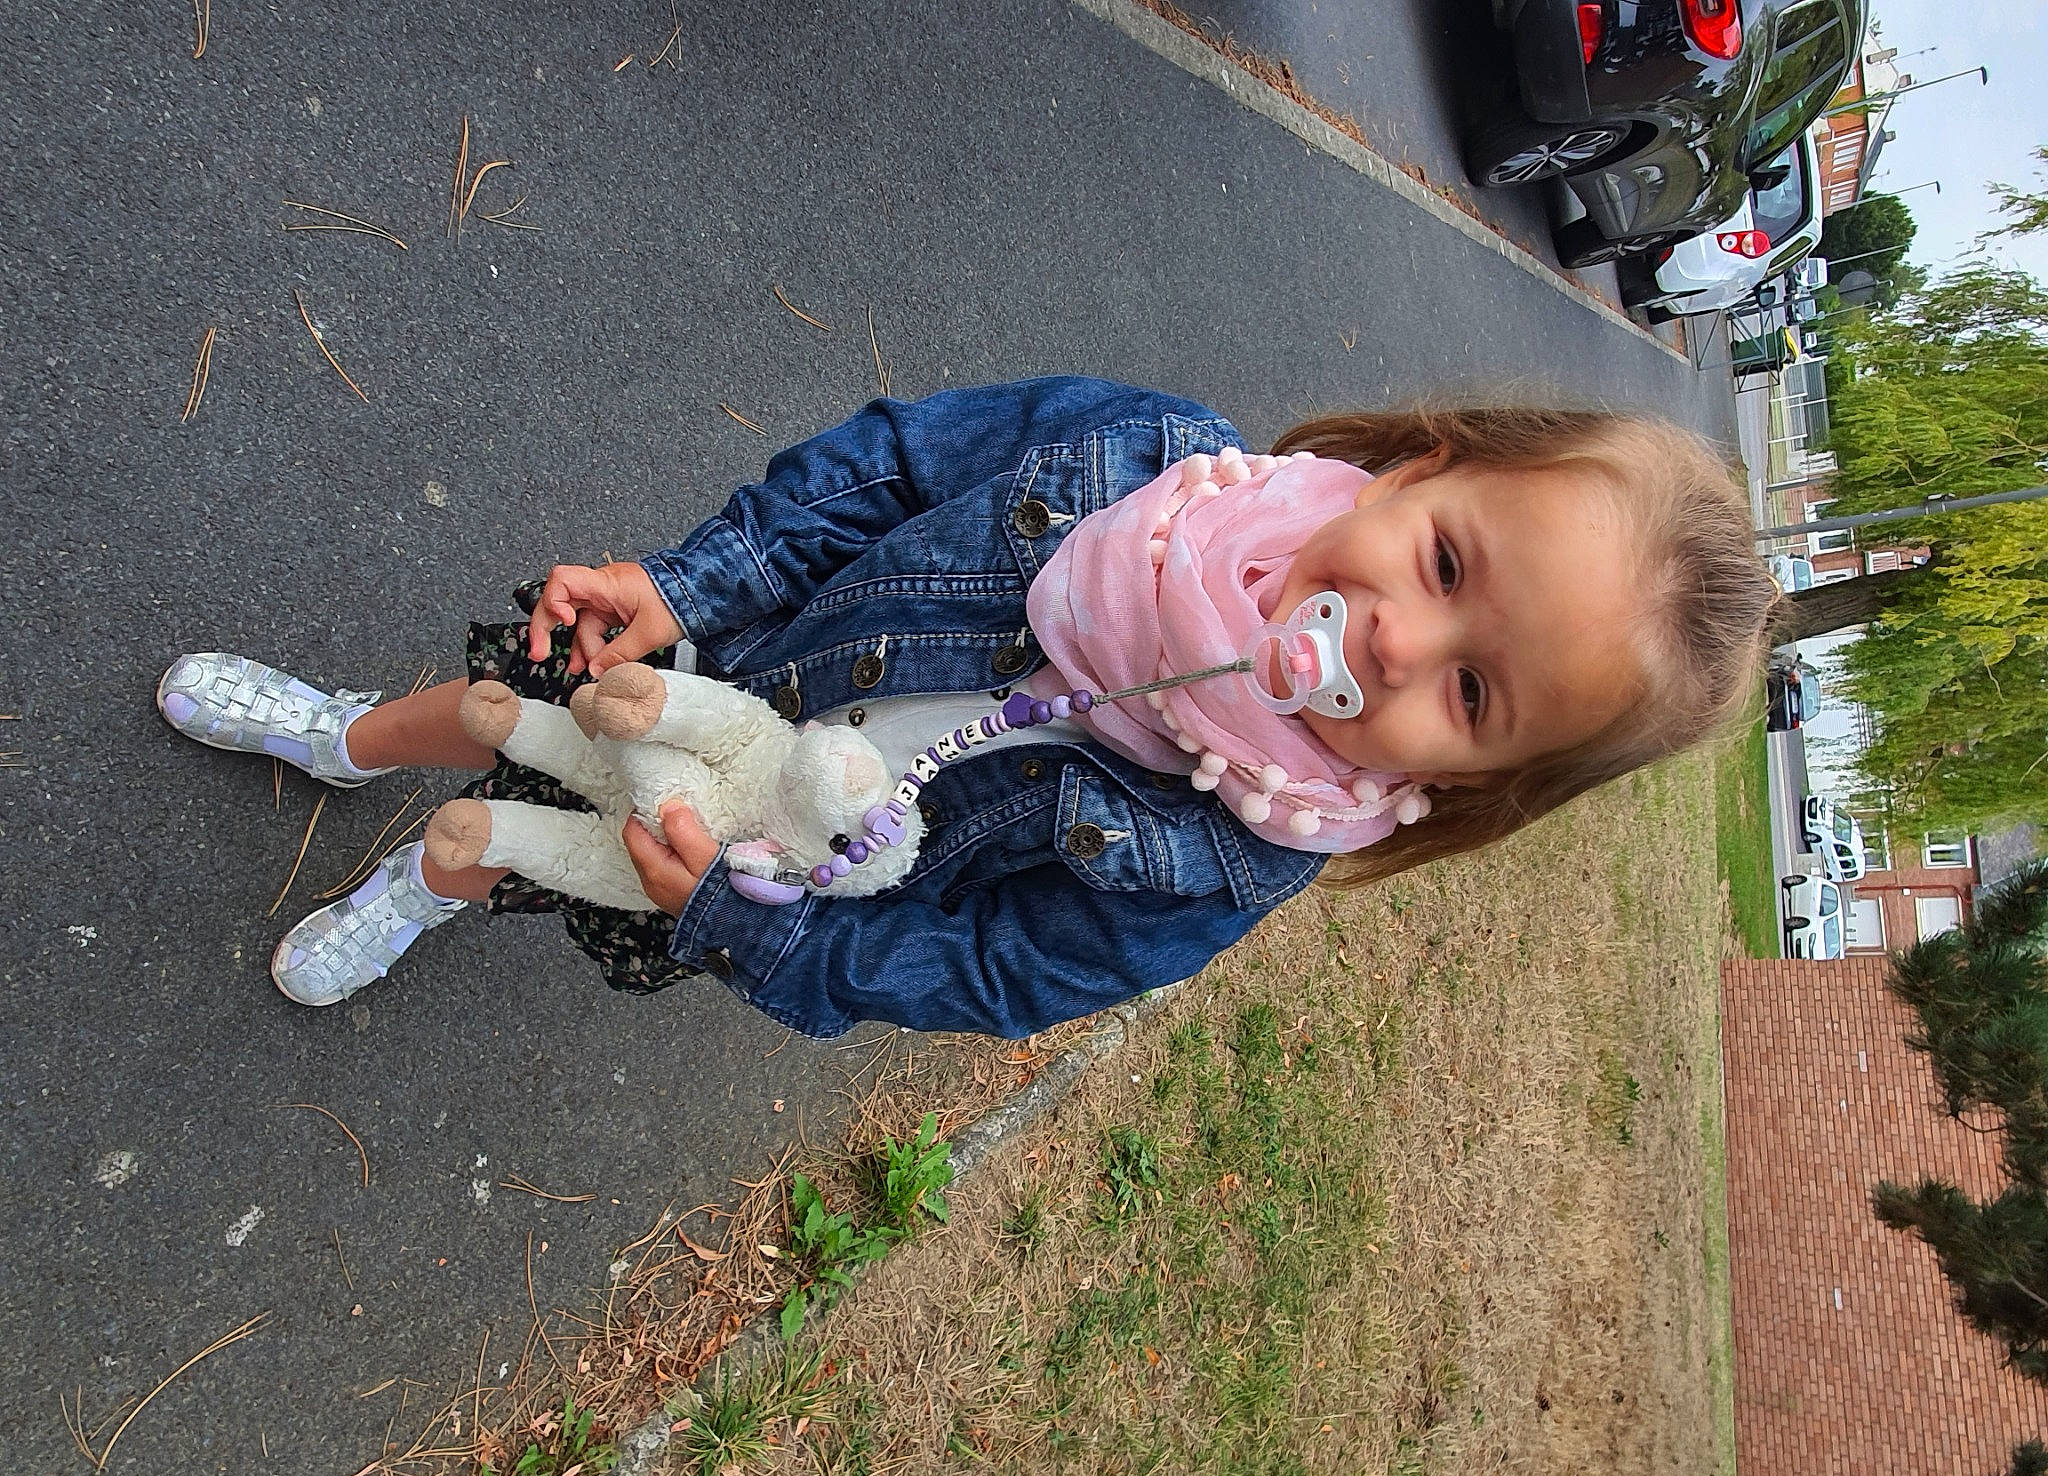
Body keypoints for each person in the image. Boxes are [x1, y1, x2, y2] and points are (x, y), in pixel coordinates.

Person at [156, 376, 1775, 1038]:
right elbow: (901, 463)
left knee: (514, 840)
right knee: (510, 710)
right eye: (1441, 559)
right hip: (739, 659)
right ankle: (338, 730)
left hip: (762, 856)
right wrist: (702, 579)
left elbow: (998, 973)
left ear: (1481, 782)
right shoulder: (1154, 459)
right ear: (1424, 463)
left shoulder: (1233, 857)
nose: (1398, 646)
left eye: (1475, 692)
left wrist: (756, 929)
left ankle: (422, 884)